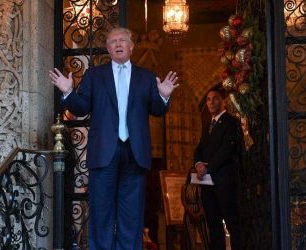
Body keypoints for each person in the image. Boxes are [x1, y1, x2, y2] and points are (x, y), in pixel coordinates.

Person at [49, 27, 179, 250]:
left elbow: (157, 110)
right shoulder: (94, 75)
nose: (118, 44)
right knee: (101, 212)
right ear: (108, 48)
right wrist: (68, 93)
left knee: (132, 214)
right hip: (104, 152)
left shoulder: (146, 76)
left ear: (131, 46)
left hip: (134, 152)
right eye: (113, 41)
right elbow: (81, 108)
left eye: (122, 40)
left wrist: (164, 97)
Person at [190, 88, 242, 250]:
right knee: (213, 224)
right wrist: (198, 163)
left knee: (232, 223)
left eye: (215, 98)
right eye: (208, 99)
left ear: (223, 101)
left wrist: (208, 168)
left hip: (224, 181)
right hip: (207, 184)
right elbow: (199, 149)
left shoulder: (231, 122)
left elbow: (226, 150)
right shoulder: (207, 126)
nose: (211, 102)